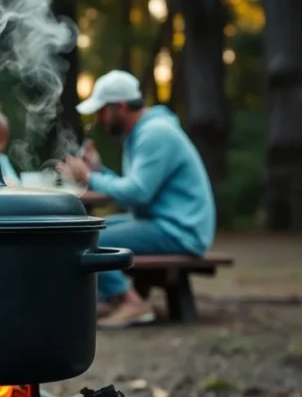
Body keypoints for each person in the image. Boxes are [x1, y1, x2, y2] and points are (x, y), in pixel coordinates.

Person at [56, 70, 215, 328]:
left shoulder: (154, 134)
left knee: (88, 239)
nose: (100, 119)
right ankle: (107, 298)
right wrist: (98, 171)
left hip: (179, 230)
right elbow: (136, 188)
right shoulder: (144, 132)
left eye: (102, 111)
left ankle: (130, 302)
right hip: (165, 223)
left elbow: (138, 193)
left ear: (119, 106)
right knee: (85, 230)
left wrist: (89, 176)